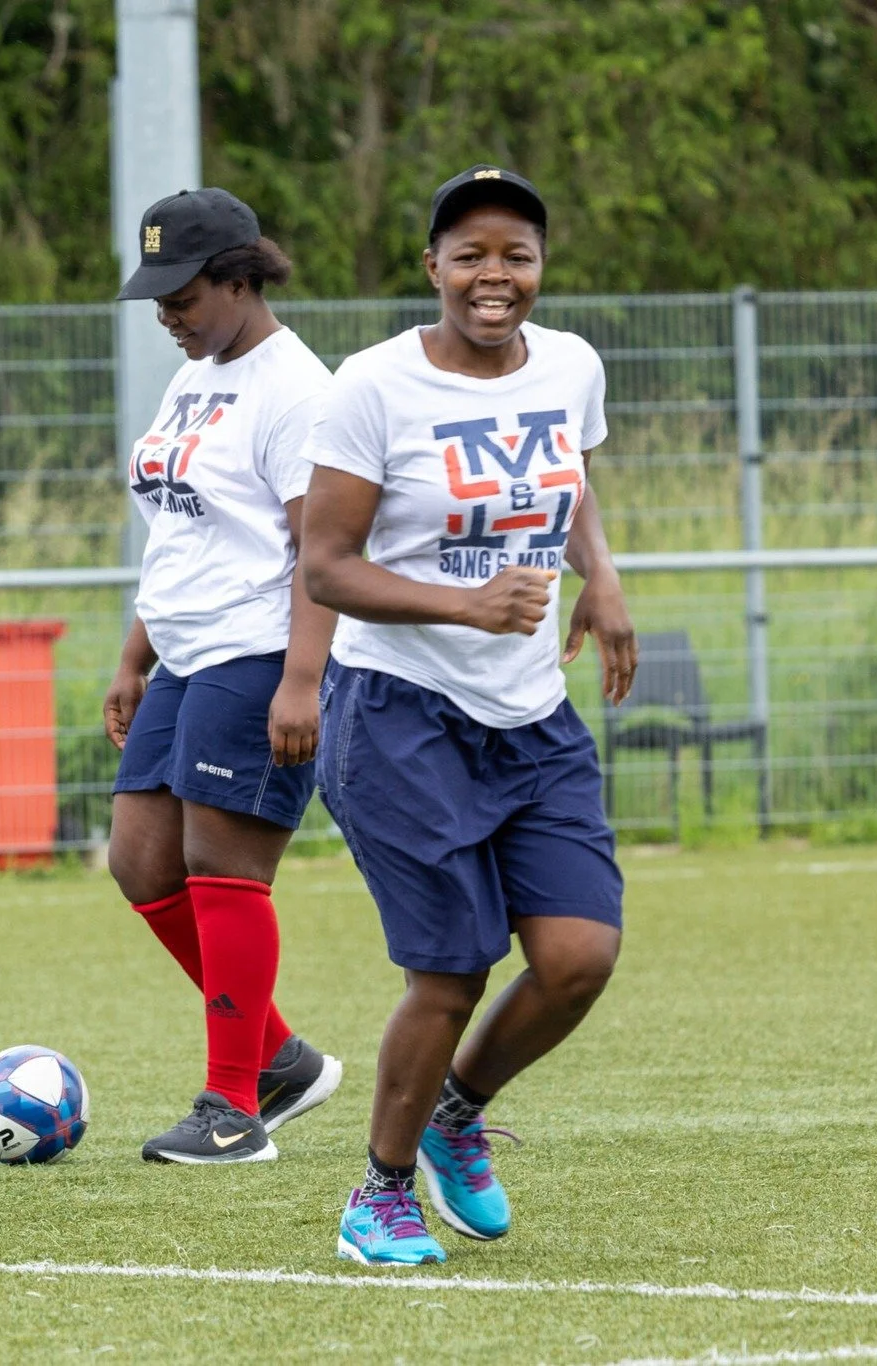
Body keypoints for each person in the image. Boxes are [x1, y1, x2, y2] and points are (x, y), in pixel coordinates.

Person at [300, 166, 638, 1265]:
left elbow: (569, 476)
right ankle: (377, 1197)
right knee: (449, 970)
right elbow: (324, 567)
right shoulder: (370, 386)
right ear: (431, 265)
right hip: (399, 710)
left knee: (579, 952)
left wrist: (603, 576)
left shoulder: (571, 364)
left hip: (528, 710)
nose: (494, 275)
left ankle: (457, 1113)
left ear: (539, 267)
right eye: (470, 253)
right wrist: (467, 603)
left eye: (516, 254)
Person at [103, 188, 346, 1165]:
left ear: (242, 278)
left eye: (184, 292)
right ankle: (278, 1057)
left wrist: (302, 678)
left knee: (220, 866)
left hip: (258, 650)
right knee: (139, 860)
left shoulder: (296, 389)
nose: (167, 313)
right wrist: (132, 656)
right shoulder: (194, 374)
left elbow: (319, 549)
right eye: (156, 294)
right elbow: (180, 531)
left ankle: (233, 1107)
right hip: (184, 651)